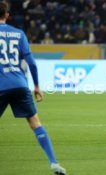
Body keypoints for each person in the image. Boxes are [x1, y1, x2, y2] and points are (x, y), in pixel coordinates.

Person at [0, 2, 66, 174]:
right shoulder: (19, 33)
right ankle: (53, 162)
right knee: (35, 123)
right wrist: (36, 85)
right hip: (20, 84)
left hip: (1, 85)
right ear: (7, 15)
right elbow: (31, 63)